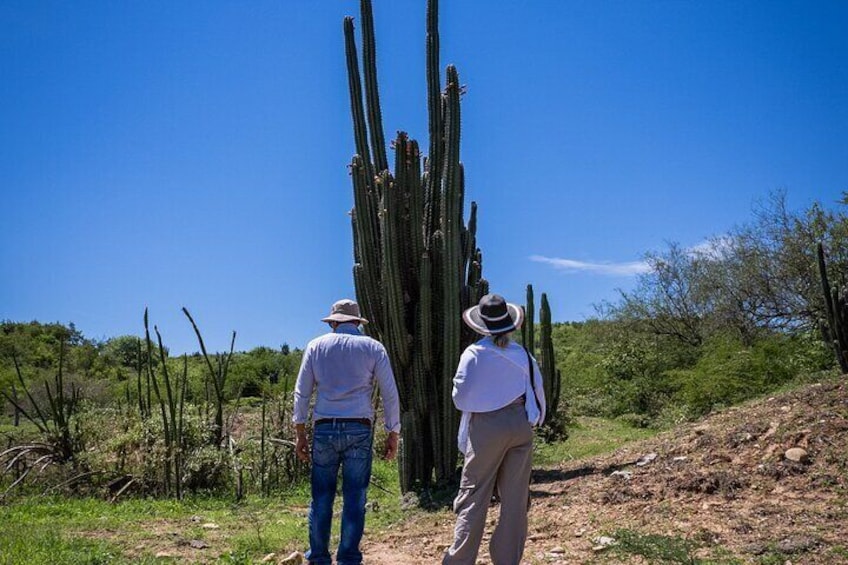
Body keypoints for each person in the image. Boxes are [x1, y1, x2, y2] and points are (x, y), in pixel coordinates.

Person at [293, 299, 401, 565]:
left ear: (332, 322)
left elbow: (302, 392)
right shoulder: (373, 348)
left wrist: (300, 432)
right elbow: (390, 394)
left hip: (325, 427)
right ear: (357, 322)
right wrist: (393, 432)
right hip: (359, 427)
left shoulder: (316, 347)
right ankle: (348, 557)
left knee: (321, 496)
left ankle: (319, 557)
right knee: (355, 496)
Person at [443, 293, 546, 565]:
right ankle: (507, 560)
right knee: (515, 499)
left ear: (481, 324)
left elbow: (459, 396)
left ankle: (459, 560)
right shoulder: (522, 354)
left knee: (474, 495)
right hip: (520, 424)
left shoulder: (474, 354)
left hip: (487, 427)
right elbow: (539, 392)